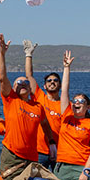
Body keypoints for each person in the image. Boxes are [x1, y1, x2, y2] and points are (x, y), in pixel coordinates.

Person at [0, 34, 57, 179]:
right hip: (12, 156)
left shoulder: (37, 107)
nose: (23, 84)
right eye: (18, 83)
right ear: (14, 88)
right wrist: (2, 54)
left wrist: (51, 142)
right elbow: (2, 78)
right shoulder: (11, 99)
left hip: (31, 158)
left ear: (30, 88)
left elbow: (45, 124)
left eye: (26, 83)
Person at [53, 51, 90, 180]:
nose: (76, 103)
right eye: (75, 101)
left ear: (88, 106)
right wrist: (66, 68)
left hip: (81, 168)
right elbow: (64, 91)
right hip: (62, 168)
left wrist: (85, 172)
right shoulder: (66, 117)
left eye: (81, 101)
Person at [24, 39, 62, 169]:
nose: (52, 82)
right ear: (45, 85)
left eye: (55, 80)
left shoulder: (64, 105)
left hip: (59, 151)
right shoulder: (40, 96)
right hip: (39, 151)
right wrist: (29, 55)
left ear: (60, 85)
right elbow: (29, 76)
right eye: (49, 80)